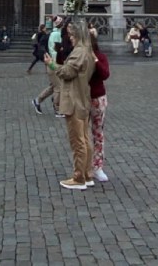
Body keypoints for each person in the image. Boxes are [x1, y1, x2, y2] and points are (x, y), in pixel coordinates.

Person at [44, 21, 95, 190]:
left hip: (74, 99)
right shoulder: (87, 51)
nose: (70, 39)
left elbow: (67, 72)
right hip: (82, 98)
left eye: (72, 35)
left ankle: (78, 177)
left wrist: (52, 64)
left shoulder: (79, 52)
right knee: (85, 139)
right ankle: (87, 174)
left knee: (77, 141)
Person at [88, 27, 111, 182]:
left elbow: (104, 74)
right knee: (83, 136)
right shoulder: (77, 57)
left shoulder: (100, 56)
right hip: (81, 99)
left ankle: (98, 167)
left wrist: (94, 60)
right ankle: (84, 169)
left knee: (97, 133)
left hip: (97, 98)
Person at [33, 16, 64, 116]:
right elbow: (55, 50)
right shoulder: (55, 34)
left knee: (53, 86)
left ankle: (37, 101)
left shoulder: (56, 33)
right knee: (58, 87)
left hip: (54, 62)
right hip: (53, 63)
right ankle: (57, 109)